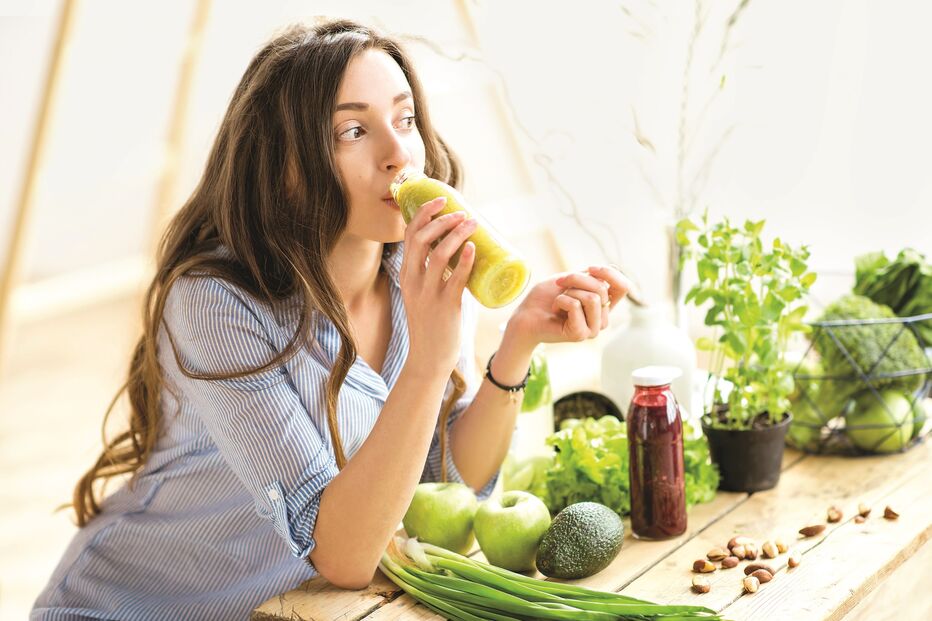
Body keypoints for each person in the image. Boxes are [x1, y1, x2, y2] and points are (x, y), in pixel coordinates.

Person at [31, 19, 629, 620]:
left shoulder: (414, 274)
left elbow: (437, 482)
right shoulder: (214, 303)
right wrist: (429, 360)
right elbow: (342, 553)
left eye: (405, 119)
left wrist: (515, 346)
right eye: (353, 130)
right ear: (288, 165)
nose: (398, 155)